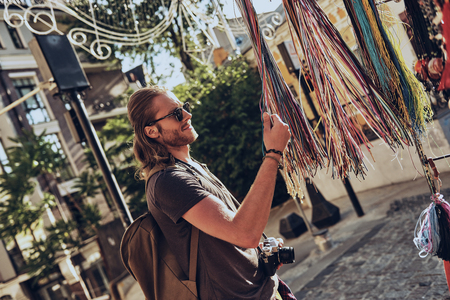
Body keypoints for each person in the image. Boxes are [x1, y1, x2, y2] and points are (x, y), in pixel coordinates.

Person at [127, 86, 292, 300]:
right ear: (151, 131)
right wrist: (273, 153)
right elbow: (244, 233)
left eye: (184, 107)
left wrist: (260, 251)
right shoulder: (167, 181)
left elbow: (230, 235)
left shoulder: (192, 166)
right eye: (176, 113)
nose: (188, 115)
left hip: (266, 289)